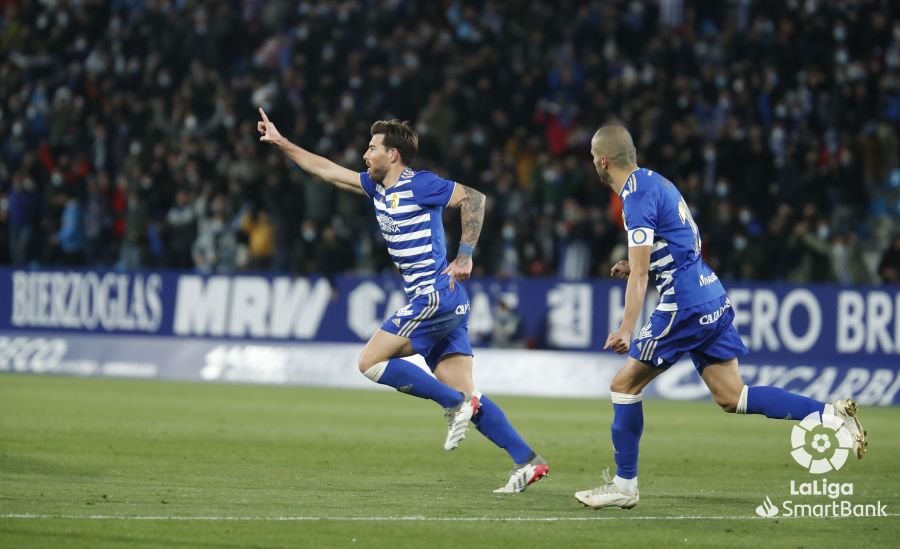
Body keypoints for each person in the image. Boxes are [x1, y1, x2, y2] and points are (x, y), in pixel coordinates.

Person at [574, 126, 868, 510]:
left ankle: (624, 486)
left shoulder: (635, 196)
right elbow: (682, 242)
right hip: (710, 293)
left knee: (624, 386)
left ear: (602, 161)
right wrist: (633, 266)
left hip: (684, 304)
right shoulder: (658, 182)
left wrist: (627, 327)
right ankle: (832, 415)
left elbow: (645, 274)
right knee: (733, 396)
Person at [257, 108, 548, 493]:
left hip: (434, 295)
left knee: (369, 361)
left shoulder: (420, 184)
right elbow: (326, 170)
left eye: (372, 147)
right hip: (448, 302)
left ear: (392, 155)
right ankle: (528, 460)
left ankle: (452, 404)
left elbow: (474, 199)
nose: (365, 154)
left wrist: (465, 253)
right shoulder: (377, 187)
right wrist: (282, 142)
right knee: (470, 396)